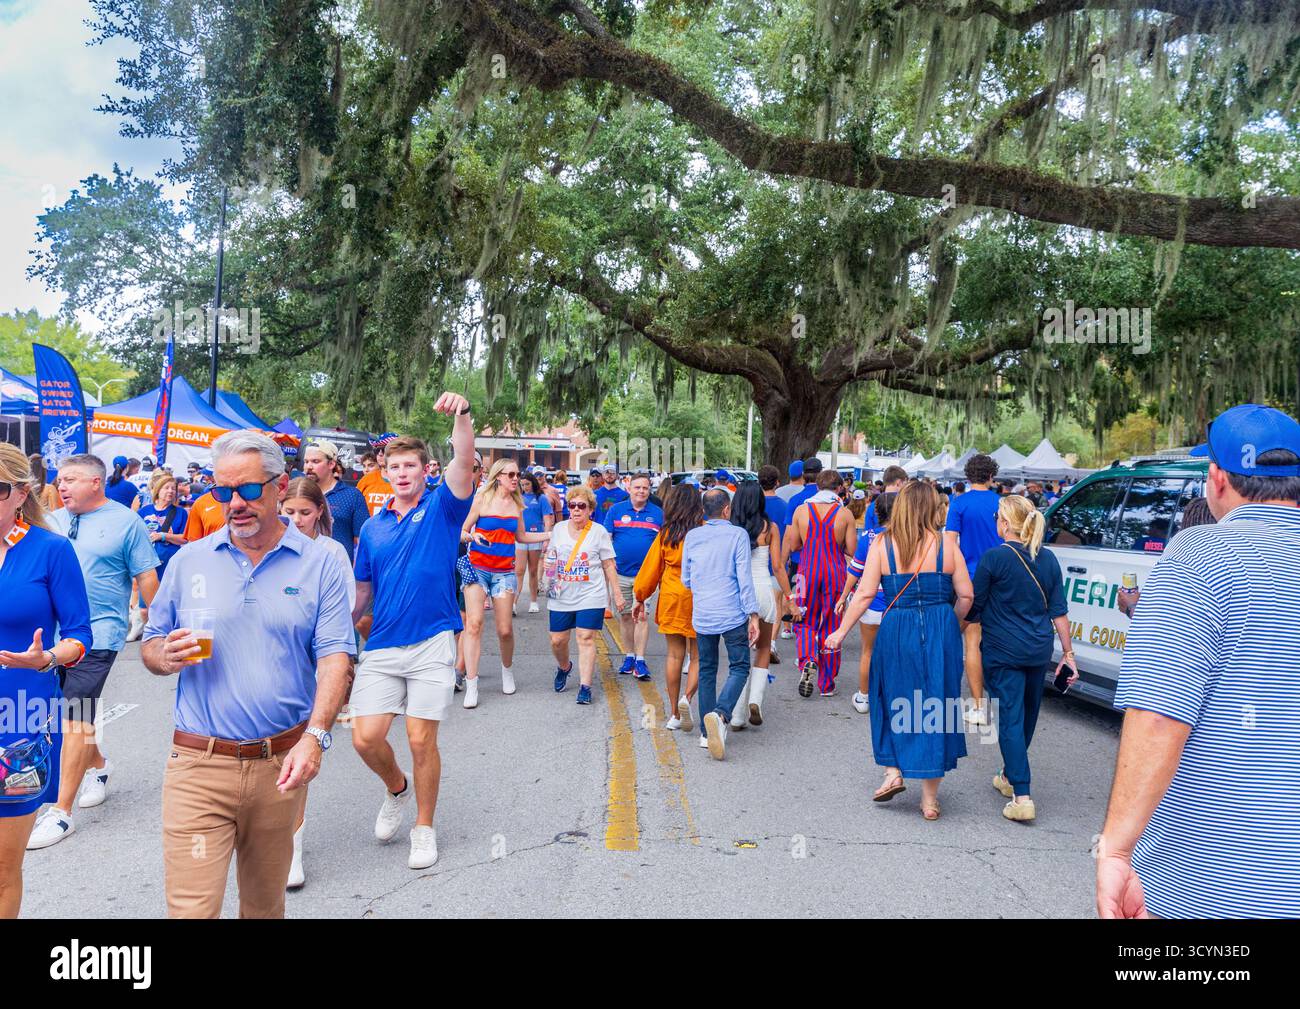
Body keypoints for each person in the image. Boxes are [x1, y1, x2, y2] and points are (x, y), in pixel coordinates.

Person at [1098, 403, 1300, 919]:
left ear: (1216, 478)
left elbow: (1160, 714)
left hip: (1219, 877)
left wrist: (1118, 848)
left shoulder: (1199, 554)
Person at [141, 431, 354, 916]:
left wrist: (316, 736)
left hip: (281, 765)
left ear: (280, 486)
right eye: (222, 492)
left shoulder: (321, 561)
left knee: (263, 907)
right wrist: (162, 656)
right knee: (192, 911)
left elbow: (335, 656)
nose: (234, 503)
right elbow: (152, 643)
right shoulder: (191, 560)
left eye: (249, 490)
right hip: (198, 763)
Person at [349, 417, 475, 872]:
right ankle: (396, 787)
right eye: (394, 466)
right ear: (384, 472)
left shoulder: (444, 507)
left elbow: (464, 458)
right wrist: (338, 633)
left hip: (432, 640)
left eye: (410, 466)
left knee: (422, 739)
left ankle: (424, 828)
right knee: (365, 739)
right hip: (382, 644)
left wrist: (462, 418)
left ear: (426, 471)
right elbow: (363, 591)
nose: (402, 473)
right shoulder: (373, 529)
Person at [26, 455, 159, 850]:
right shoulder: (53, 519)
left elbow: (146, 575)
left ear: (96, 482)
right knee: (69, 714)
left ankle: (61, 813)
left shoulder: (126, 522)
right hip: (51, 637)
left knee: (74, 716)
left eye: (70, 480)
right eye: (59, 480)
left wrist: (161, 627)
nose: (61, 486)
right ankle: (99, 766)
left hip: (99, 636)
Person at [827, 480, 972, 819]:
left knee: (886, 696)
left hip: (897, 628)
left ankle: (893, 771)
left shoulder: (882, 544)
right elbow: (966, 596)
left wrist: (840, 631)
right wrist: (950, 623)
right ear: (931, 509)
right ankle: (930, 800)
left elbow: (864, 595)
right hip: (940, 626)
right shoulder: (946, 545)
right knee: (936, 701)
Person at [0, 445, 92, 918]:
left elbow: (80, 634)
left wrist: (46, 658)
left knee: (2, 868)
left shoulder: (50, 550)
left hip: (19, 721)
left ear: (20, 494)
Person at [966, 495, 1076, 822]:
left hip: (1003, 651)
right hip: (1038, 649)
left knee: (1010, 720)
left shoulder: (993, 559)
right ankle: (1008, 774)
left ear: (1005, 523)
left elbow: (975, 606)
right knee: (1027, 717)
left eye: (998, 516)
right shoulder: (1049, 559)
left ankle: (1022, 795)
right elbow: (1059, 612)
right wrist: (1068, 654)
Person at [278, 476, 356, 889]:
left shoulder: (331, 552)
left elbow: (341, 613)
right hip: (268, 669)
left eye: (304, 513)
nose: (296, 520)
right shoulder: (264, 550)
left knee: (296, 754)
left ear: (320, 513)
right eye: (288, 512)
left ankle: (293, 846)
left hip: (311, 668)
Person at [459, 459, 550, 707]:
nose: (515, 478)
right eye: (510, 474)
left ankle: (506, 670)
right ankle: (472, 684)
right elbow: (462, 531)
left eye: (517, 474)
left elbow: (521, 536)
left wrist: (550, 534)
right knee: (474, 624)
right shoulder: (481, 500)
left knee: (505, 630)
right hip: (477, 568)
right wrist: (473, 536)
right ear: (498, 476)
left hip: (504, 573)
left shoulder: (517, 505)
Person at [682, 489, 759, 759]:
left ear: (705, 510)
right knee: (739, 666)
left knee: (706, 669)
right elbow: (743, 577)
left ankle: (706, 732)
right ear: (726, 509)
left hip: (703, 614)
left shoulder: (692, 536)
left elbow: (686, 579)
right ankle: (721, 713)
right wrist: (753, 614)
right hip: (732, 613)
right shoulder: (737, 534)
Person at [545, 485, 624, 705]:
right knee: (557, 640)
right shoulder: (559, 529)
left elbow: (609, 565)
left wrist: (616, 594)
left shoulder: (598, 531)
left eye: (582, 506)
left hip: (591, 594)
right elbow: (551, 559)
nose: (576, 510)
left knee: (586, 638)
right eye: (572, 505)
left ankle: (585, 686)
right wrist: (548, 581)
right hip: (561, 594)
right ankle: (564, 667)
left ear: (590, 509)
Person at [633, 483, 702, 730]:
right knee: (698, 656)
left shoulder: (667, 533)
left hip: (672, 597)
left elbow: (651, 570)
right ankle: (688, 698)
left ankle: (674, 713)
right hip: (699, 597)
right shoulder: (703, 532)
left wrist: (640, 597)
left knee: (674, 655)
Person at [783, 469, 856, 698]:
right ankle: (827, 683)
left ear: (816, 487)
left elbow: (794, 545)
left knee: (803, 617)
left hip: (806, 572)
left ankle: (807, 658)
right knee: (832, 622)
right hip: (835, 573)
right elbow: (852, 551)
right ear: (839, 489)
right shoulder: (844, 514)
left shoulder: (802, 510)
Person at [727, 482, 793, 729]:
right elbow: (777, 566)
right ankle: (755, 699)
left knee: (740, 656)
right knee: (763, 648)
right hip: (764, 591)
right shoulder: (770, 528)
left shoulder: (731, 528)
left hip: (738, 594)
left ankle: (736, 714)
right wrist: (790, 597)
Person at [944, 452, 1001, 726]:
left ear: (968, 477)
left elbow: (950, 542)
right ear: (992, 476)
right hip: (1002, 576)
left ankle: (979, 706)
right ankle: (1003, 697)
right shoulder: (1002, 503)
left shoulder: (959, 503)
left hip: (969, 576)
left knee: (972, 643)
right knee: (997, 638)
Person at [837, 490, 897, 715]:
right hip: (899, 604)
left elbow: (855, 570)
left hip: (871, 602)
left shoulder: (870, 537)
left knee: (868, 651)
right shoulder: (910, 537)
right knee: (896, 652)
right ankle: (893, 697)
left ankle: (863, 696)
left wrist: (843, 597)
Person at [604, 472, 663, 681]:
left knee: (642, 615)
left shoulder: (658, 514)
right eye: (637, 487)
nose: (641, 491)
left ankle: (640, 659)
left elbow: (662, 546)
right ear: (629, 488)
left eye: (645, 488)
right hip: (620, 573)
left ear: (650, 490)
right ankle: (628, 655)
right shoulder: (616, 511)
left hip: (645, 577)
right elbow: (606, 542)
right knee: (626, 616)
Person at [303, 440, 369, 563]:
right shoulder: (300, 494)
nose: (309, 466)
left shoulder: (352, 496)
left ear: (331, 464)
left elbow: (362, 543)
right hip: (303, 570)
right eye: (306, 462)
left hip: (339, 570)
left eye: (315, 461)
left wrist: (356, 575)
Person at [137, 471, 189, 581]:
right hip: (147, 565)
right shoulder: (144, 511)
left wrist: (163, 536)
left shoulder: (180, 512)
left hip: (170, 564)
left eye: (173, 488)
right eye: (166, 488)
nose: (170, 491)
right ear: (158, 490)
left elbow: (184, 539)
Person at [515, 471, 554, 615]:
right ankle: (513, 603)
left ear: (533, 483)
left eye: (527, 484)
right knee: (518, 571)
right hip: (520, 538)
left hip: (536, 537)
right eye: (522, 484)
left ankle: (533, 601)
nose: (525, 487)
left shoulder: (541, 498)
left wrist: (546, 539)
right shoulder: (518, 497)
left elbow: (548, 520)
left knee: (532, 571)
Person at [356, 447, 394, 517]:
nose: (380, 453)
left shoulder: (403, 479)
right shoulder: (366, 479)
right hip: (368, 526)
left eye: (384, 450)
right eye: (377, 451)